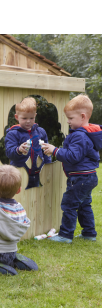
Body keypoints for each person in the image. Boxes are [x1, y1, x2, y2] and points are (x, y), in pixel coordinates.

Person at [42, 94, 102, 243]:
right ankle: (89, 233)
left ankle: (65, 235)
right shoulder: (87, 133)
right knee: (83, 204)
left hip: (80, 178)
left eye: (70, 118)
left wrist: (54, 150)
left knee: (69, 204)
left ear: (82, 116)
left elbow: (73, 156)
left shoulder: (79, 136)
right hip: (88, 176)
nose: (68, 121)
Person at [5, 97, 51, 188]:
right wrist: (18, 150)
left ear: (35, 116)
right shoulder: (13, 134)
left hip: (38, 174)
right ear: (17, 117)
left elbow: (46, 151)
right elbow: (9, 153)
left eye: (31, 118)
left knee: (36, 199)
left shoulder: (40, 132)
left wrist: (48, 166)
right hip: (19, 174)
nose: (28, 121)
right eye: (24, 118)